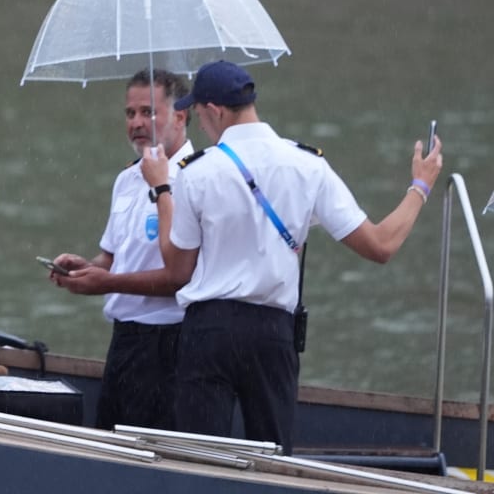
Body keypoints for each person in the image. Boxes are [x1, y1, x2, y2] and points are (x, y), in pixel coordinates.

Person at [140, 60, 444, 448]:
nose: (199, 122)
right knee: (274, 462)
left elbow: (178, 267)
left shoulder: (197, 172)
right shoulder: (308, 165)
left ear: (215, 110)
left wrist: (163, 191)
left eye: (199, 112)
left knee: (201, 459)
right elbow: (381, 245)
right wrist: (420, 185)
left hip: (209, 331)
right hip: (272, 334)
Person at [48, 69, 192, 430]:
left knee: (156, 459)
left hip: (171, 341)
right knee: (109, 447)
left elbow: (181, 277)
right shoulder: (127, 179)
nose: (137, 123)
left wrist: (106, 283)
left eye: (149, 112)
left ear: (180, 116)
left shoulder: (197, 179)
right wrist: (84, 267)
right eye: (130, 114)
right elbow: (112, 259)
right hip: (124, 341)